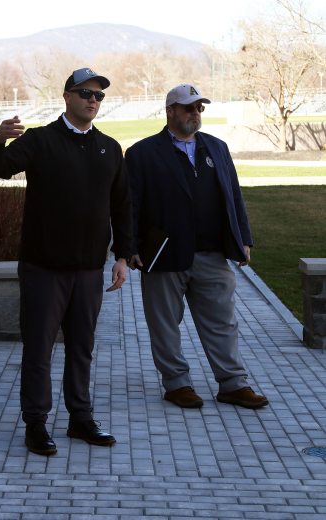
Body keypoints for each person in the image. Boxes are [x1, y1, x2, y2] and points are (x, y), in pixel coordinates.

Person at [0, 68, 133, 455]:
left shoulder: (110, 148)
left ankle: (80, 419)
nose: (93, 100)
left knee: (82, 346)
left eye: (99, 95)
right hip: (43, 268)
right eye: (85, 93)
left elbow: (121, 206)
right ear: (67, 96)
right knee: (39, 349)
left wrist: (121, 256)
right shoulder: (40, 141)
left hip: (88, 270)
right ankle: (36, 423)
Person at [125, 84, 268, 410]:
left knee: (223, 323)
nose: (195, 113)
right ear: (170, 110)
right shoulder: (142, 153)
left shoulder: (217, 148)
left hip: (212, 254)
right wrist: (129, 246)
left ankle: (233, 384)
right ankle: (177, 385)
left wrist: (243, 237)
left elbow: (233, 196)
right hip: (164, 255)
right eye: (188, 107)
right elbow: (128, 205)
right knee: (164, 324)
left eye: (199, 108)